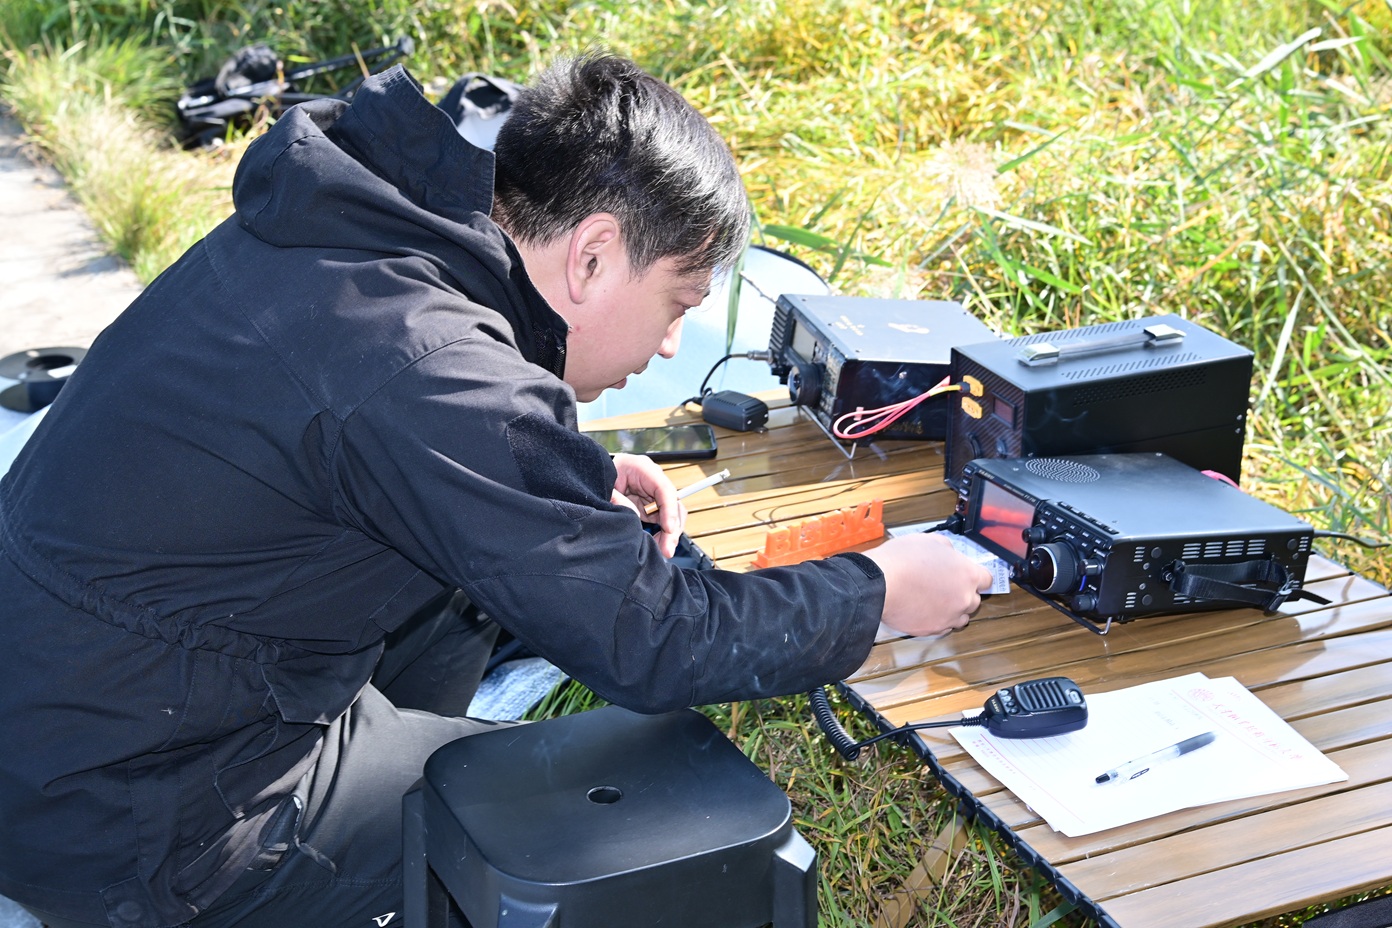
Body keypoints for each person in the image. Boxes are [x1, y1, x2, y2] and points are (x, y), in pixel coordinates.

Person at [0, 53, 993, 928]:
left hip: (90, 697)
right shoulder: (429, 365)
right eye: (678, 302)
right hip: (138, 815)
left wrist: (571, 479)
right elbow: (651, 642)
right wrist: (881, 587)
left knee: (491, 581)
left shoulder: (366, 239)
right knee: (598, 831)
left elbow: (370, 431)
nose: (673, 341)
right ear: (593, 253)